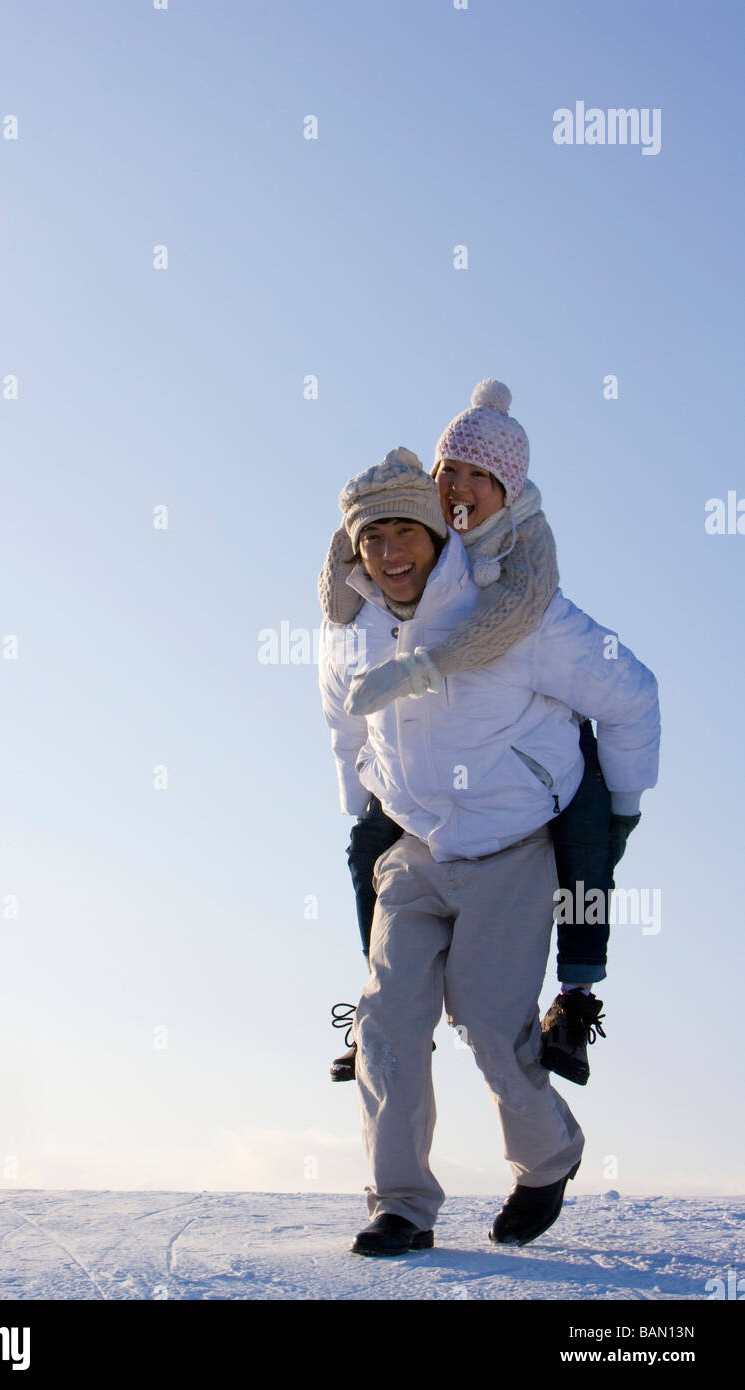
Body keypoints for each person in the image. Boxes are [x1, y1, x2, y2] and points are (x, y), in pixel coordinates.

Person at [318, 449, 660, 1253]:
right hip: (414, 845)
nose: (391, 553)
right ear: (354, 549)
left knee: (489, 1019)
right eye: (373, 538)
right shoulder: (350, 627)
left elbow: (632, 691)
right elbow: (341, 724)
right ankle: (399, 1204)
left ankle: (547, 1159)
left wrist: (619, 808)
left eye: (407, 530)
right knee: (387, 1022)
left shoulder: (514, 609)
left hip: (510, 846)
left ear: (438, 534)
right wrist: (360, 804)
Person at [320, 381, 640, 1088]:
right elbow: (354, 545)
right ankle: (384, 1005)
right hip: (430, 769)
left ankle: (577, 1001)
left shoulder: (525, 542)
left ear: (508, 487)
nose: (459, 487)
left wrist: (626, 800)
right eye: (449, 471)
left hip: (547, 741)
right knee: (367, 845)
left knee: (585, 857)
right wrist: (343, 584)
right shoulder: (419, 531)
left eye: (479, 476)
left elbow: (520, 617)